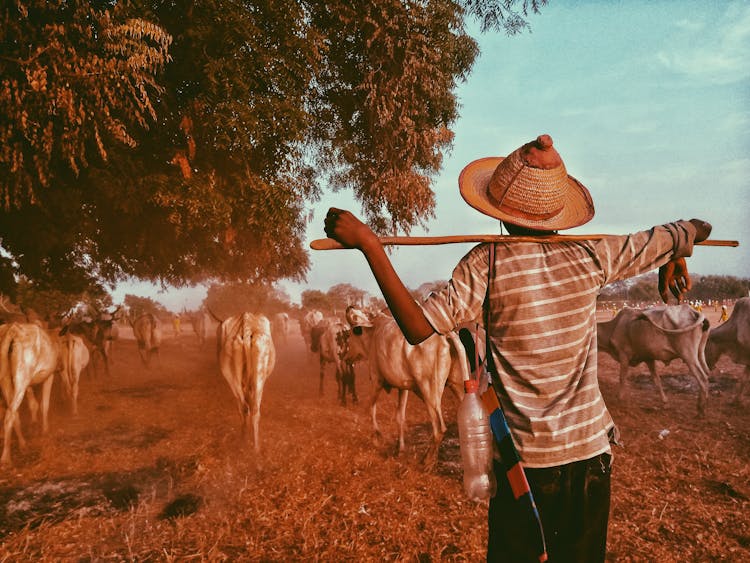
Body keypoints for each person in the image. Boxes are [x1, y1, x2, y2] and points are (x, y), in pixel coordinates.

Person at [323, 134, 712, 562]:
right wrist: (677, 251)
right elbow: (697, 228)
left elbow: (417, 327)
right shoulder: (594, 255)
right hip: (591, 460)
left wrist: (370, 245)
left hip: (524, 468)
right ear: (558, 211)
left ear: (500, 212)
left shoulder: (486, 264)